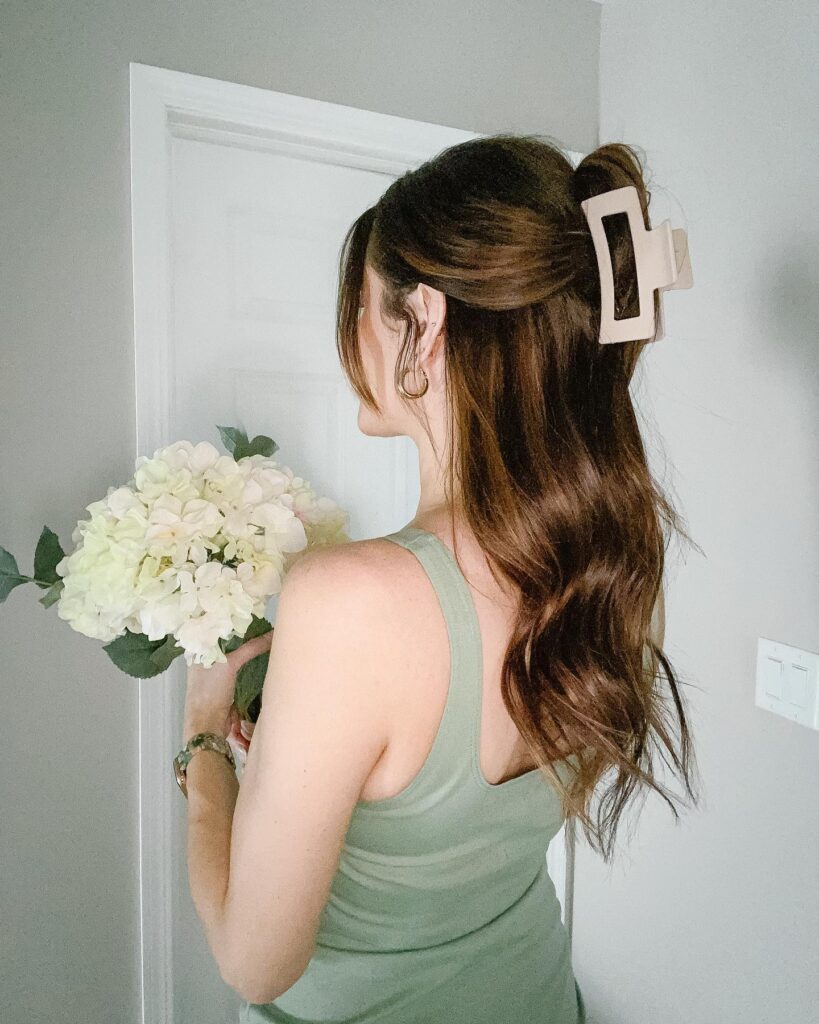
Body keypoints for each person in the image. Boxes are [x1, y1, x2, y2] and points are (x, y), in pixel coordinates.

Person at [182, 132, 701, 1023]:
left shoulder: (350, 601)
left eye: (362, 305)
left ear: (419, 320)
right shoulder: (615, 561)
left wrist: (200, 742)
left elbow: (251, 963)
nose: (348, 332)